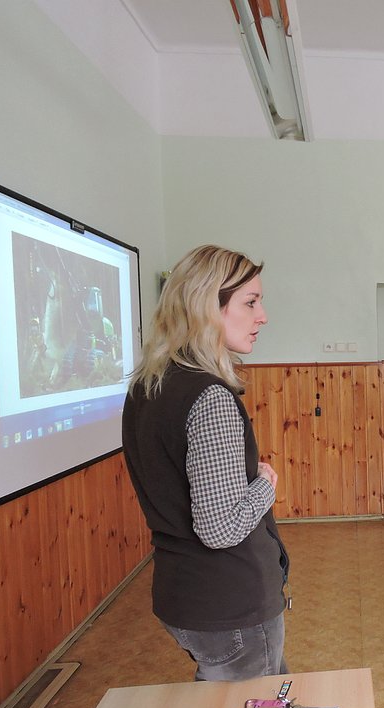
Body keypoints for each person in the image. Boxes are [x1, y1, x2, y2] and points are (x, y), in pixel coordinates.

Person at [121, 245, 289, 681]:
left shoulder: (147, 385)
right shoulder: (209, 397)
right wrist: (266, 485)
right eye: (250, 302)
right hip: (228, 602)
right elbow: (220, 528)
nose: (263, 316)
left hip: (184, 593)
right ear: (206, 307)